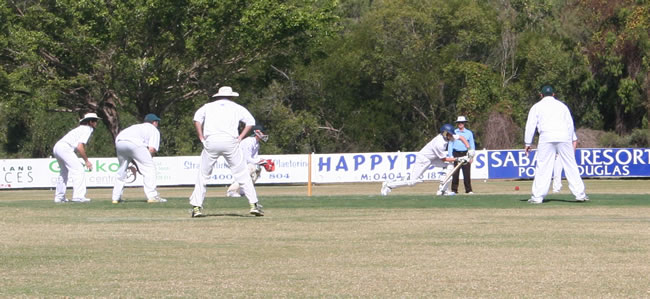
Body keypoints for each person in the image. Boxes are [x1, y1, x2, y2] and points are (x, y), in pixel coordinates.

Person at [189, 86, 263, 217]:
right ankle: (254, 204)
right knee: (242, 173)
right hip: (230, 141)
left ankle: (196, 207)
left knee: (203, 174)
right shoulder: (237, 107)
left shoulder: (207, 106)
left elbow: (197, 119)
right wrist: (240, 137)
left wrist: (201, 137)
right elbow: (250, 122)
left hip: (211, 141)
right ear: (232, 96)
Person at [524, 86, 588, 204]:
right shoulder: (562, 106)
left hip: (546, 136)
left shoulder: (536, 107)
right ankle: (580, 194)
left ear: (541, 95)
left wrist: (528, 143)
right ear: (553, 94)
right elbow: (570, 124)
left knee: (543, 166)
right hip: (564, 136)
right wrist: (572, 139)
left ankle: (537, 197)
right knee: (571, 165)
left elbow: (530, 125)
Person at [381, 124, 474, 196]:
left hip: (433, 158)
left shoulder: (449, 136)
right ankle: (388, 185)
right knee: (412, 182)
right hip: (423, 159)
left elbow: (461, 138)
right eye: (450, 134)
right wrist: (458, 158)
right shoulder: (439, 143)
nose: (452, 136)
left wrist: (469, 149)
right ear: (445, 133)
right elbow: (444, 158)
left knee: (449, 166)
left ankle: (444, 190)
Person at [111, 113, 167, 204]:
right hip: (135, 144)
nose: (157, 124)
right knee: (149, 169)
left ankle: (116, 198)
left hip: (119, 142)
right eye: (157, 122)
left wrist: (136, 161)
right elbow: (152, 149)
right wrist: (144, 162)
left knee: (121, 170)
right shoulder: (153, 129)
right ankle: (152, 196)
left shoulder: (136, 126)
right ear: (154, 122)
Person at [52, 112, 100, 203]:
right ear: (90, 122)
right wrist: (86, 161)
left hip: (57, 147)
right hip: (65, 148)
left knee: (63, 172)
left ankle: (59, 197)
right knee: (78, 170)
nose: (96, 123)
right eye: (95, 121)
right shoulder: (88, 129)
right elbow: (80, 147)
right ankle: (78, 196)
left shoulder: (80, 128)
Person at [226, 125, 269, 197]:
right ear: (257, 132)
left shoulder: (256, 144)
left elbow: (254, 158)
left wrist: (261, 162)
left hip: (244, 162)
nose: (263, 135)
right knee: (250, 169)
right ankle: (231, 191)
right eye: (262, 133)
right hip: (235, 161)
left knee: (257, 170)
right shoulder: (249, 142)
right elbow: (246, 158)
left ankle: (243, 190)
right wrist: (259, 161)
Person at [448, 116, 476, 194]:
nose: (460, 124)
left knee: (466, 173)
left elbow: (472, 145)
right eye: (459, 123)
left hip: (466, 154)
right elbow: (450, 144)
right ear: (457, 124)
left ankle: (468, 190)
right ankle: (454, 190)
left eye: (462, 122)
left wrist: (471, 156)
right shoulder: (454, 132)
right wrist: (450, 155)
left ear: (464, 123)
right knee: (455, 173)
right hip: (456, 153)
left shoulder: (469, 133)